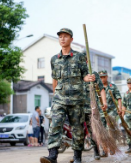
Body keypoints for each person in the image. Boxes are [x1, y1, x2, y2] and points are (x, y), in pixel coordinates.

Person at [40, 28, 95, 163]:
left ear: (71, 39)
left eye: (65, 36)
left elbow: (84, 75)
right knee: (55, 125)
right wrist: (55, 95)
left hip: (76, 99)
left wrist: (88, 78)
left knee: (77, 128)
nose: (62, 39)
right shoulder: (54, 59)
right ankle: (52, 155)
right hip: (59, 99)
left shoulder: (79, 56)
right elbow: (54, 79)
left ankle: (77, 157)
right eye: (60, 37)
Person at [82, 70, 107, 160]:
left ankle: (96, 151)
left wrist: (104, 102)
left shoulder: (93, 74)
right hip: (77, 109)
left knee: (93, 131)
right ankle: (77, 155)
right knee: (77, 132)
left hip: (91, 109)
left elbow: (101, 89)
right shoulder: (74, 73)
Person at [98, 70, 122, 157]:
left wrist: (120, 108)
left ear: (107, 77)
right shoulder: (96, 87)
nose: (102, 79)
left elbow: (118, 98)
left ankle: (112, 147)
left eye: (104, 77)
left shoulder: (112, 86)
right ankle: (104, 150)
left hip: (111, 112)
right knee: (102, 132)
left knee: (110, 130)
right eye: (100, 77)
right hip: (100, 113)